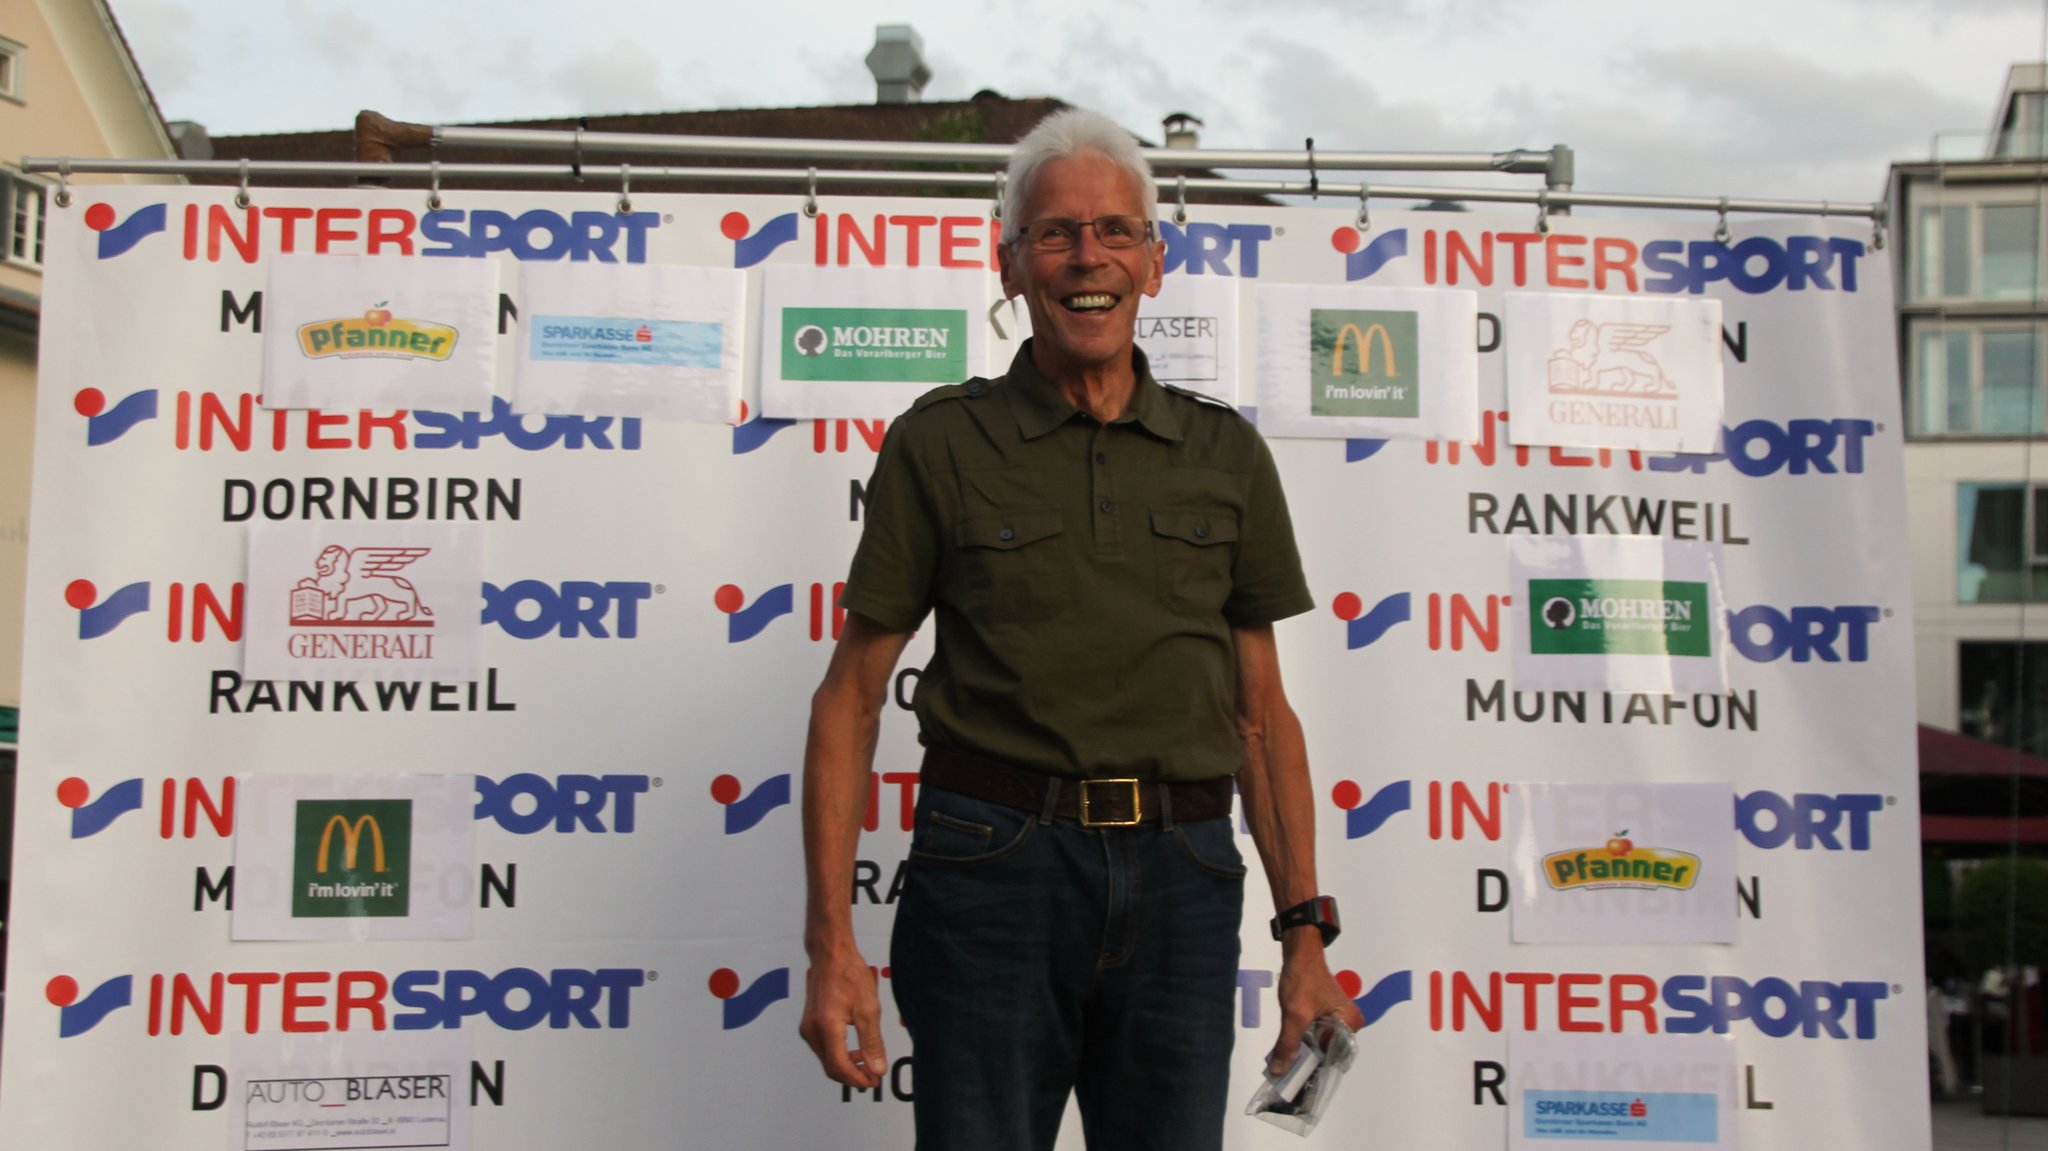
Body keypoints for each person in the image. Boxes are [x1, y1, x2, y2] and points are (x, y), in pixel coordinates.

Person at [797, 107, 1363, 1151]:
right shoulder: (939, 443)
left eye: (1114, 231)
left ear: (1155, 260)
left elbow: (1258, 716)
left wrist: (1305, 937)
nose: (1086, 256)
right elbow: (851, 697)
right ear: (1008, 264)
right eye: (1054, 233)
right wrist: (830, 942)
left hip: (1186, 878)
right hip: (992, 872)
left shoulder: (1225, 454)